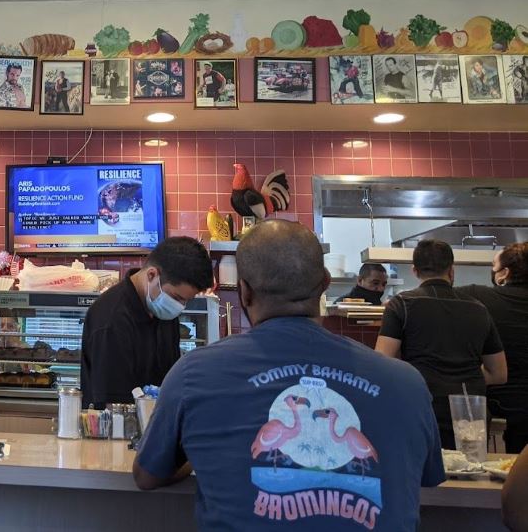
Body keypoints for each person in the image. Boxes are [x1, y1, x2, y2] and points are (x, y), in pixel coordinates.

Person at [133, 220, 445, 531]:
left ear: (244, 292)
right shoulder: (408, 383)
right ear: (325, 283)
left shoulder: (192, 373)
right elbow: (429, 480)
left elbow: (147, 475)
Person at [375, 239, 507, 448]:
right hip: (469, 412)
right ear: (451, 271)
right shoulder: (479, 309)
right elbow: (499, 373)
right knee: (469, 475)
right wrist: (461, 375)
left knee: (425, 477)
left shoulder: (401, 305)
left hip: (421, 408)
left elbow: (382, 364)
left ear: (415, 271)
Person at [80, 237, 213, 409]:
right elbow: (114, 406)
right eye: (177, 298)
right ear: (152, 275)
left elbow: (168, 380)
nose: (179, 307)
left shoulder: (162, 310)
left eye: (185, 301)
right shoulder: (111, 320)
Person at [456, 242, 528, 453]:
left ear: (504, 274)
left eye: (493, 267)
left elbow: (429, 297)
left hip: (498, 401)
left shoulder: (477, 295)